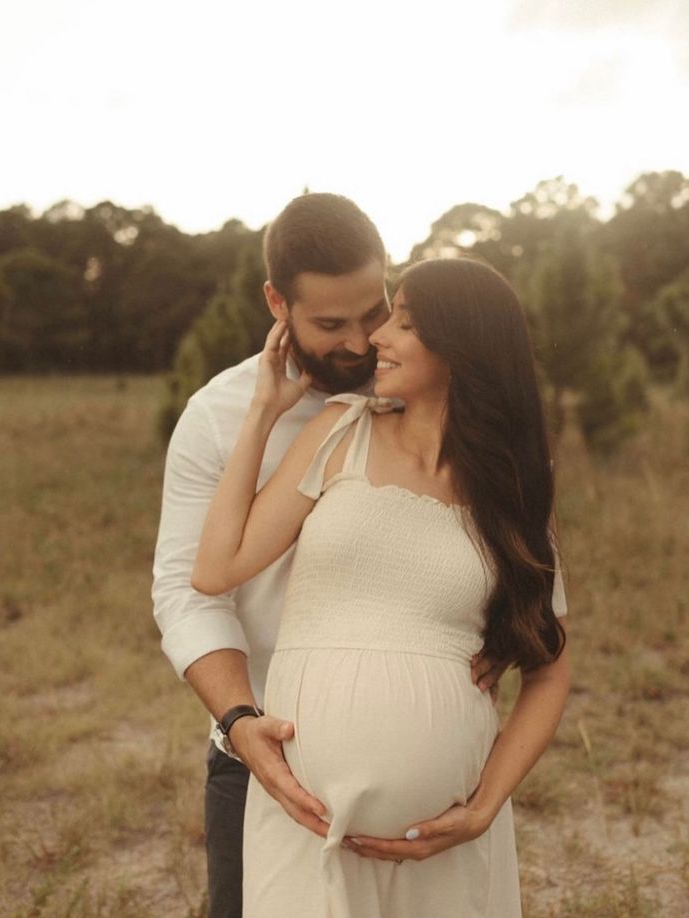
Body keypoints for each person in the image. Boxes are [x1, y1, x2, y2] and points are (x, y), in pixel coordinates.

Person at [152, 196, 502, 918]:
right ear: (276, 302)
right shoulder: (217, 420)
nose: (360, 342)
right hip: (258, 751)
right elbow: (191, 593)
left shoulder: (428, 390)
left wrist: (502, 633)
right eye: (330, 325)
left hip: (425, 772)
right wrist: (241, 722)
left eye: (374, 313)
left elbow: (493, 545)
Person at [191, 257, 570, 917]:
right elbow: (216, 569)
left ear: (463, 348)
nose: (377, 340)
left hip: (444, 844)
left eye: (405, 323)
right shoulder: (340, 432)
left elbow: (551, 667)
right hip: (304, 818)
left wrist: (484, 807)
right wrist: (259, 414)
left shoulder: (512, 486)